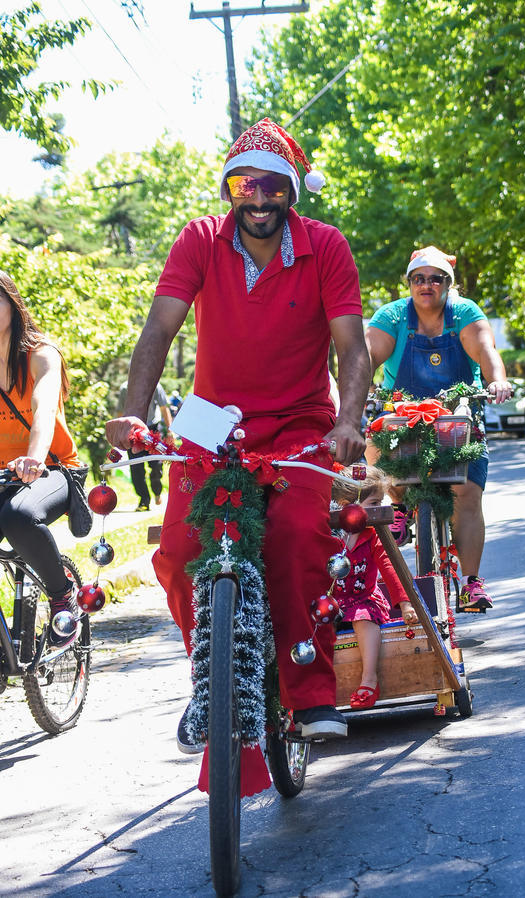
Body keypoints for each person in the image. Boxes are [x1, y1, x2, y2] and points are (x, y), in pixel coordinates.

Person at [106, 118, 371, 748]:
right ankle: (215, 681)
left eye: (272, 187)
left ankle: (307, 694)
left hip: (301, 425)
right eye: (243, 185)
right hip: (211, 425)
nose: (257, 199)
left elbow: (351, 349)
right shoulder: (198, 240)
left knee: (296, 539)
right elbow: (158, 332)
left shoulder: (326, 246)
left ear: (291, 192)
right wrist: (134, 413)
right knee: (175, 553)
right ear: (229, 190)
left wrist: (348, 421)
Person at [366, 245, 512, 612]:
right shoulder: (394, 316)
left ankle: (471, 582)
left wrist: (497, 381)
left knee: (467, 493)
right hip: (403, 411)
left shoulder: (464, 313)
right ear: (409, 283)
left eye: (435, 278)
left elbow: (485, 349)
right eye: (418, 278)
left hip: (458, 414)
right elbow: (365, 355)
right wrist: (354, 389)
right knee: (375, 443)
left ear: (449, 284)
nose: (426, 284)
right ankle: (398, 506)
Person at [0, 272, 82, 646]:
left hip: (53, 470)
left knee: (18, 517)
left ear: (12, 305)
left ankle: (62, 593)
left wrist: (32, 459)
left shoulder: (41, 355)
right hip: (4, 476)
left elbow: (43, 409)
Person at [332, 466, 418, 709]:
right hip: (335, 601)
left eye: (382, 502)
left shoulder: (373, 534)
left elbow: (389, 567)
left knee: (363, 618)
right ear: (345, 503)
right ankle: (321, 686)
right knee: (319, 621)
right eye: (374, 502)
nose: (380, 508)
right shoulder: (332, 534)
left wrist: (405, 603)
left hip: (363, 599)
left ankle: (369, 678)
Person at [118, 381, 172, 510]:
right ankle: (144, 500)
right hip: (132, 430)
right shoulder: (125, 388)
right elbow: (120, 412)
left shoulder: (155, 385)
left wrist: (170, 430)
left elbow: (164, 407)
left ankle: (157, 491)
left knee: (156, 464)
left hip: (152, 428)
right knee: (136, 467)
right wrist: (119, 433)